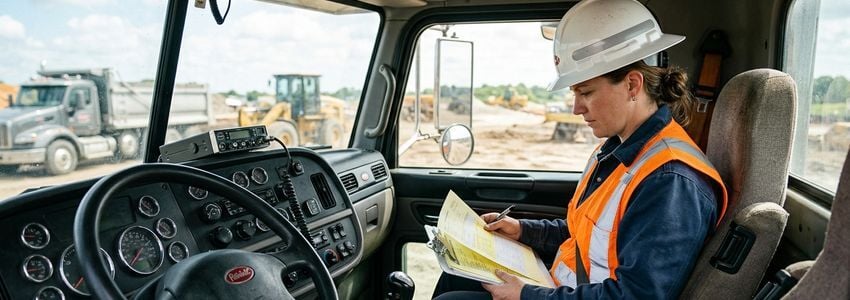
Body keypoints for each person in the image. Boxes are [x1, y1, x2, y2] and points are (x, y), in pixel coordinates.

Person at [432, 0, 728, 299]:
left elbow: (636, 296)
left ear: (632, 85)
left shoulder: (669, 181)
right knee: (454, 277)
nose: (576, 108)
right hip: (568, 286)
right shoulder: (616, 152)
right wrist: (522, 230)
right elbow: (586, 238)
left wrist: (527, 296)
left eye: (585, 92)